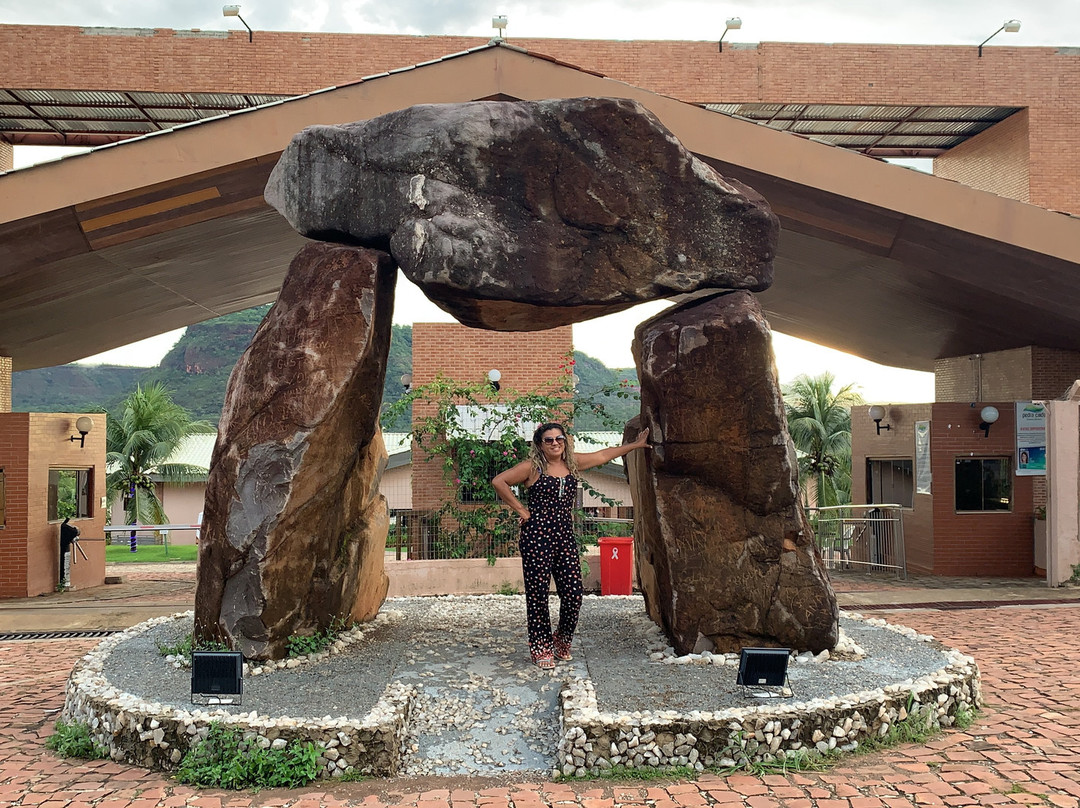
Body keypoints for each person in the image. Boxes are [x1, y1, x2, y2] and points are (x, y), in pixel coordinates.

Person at [492, 422, 650, 669]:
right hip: (537, 536)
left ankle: (562, 640)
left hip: (564, 535)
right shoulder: (532, 468)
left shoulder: (572, 463)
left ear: (565, 441)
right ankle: (540, 646)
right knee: (538, 595)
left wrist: (634, 445)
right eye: (549, 440)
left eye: (559, 439)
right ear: (540, 445)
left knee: (574, 593)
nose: (555, 443)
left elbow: (603, 455)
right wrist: (522, 510)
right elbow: (499, 481)